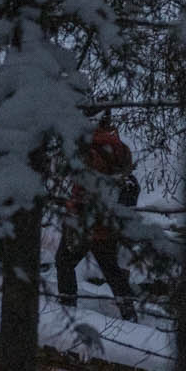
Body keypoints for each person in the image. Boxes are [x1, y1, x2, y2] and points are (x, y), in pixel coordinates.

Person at [55, 111, 140, 320]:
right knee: (111, 270)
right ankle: (130, 314)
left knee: (64, 262)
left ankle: (67, 309)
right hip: (108, 223)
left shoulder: (89, 149)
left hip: (84, 222)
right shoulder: (120, 149)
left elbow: (83, 185)